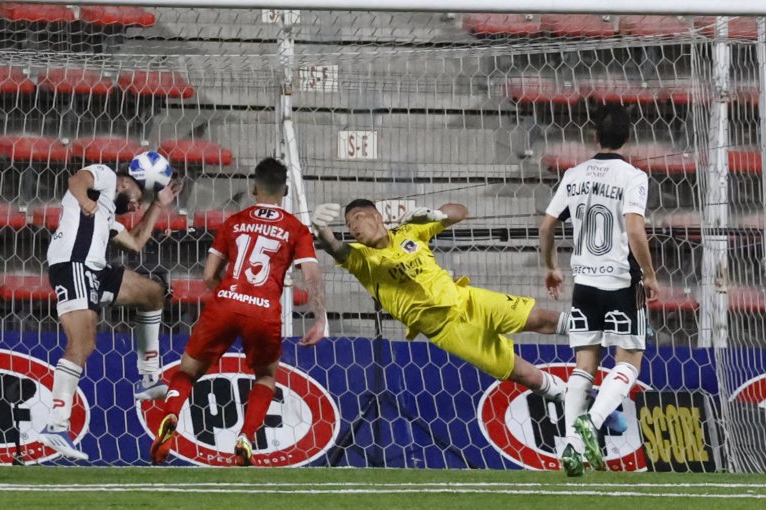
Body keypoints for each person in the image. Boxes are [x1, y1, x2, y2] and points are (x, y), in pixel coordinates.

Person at [149, 158, 327, 467]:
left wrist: (227, 298)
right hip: (264, 311)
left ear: (254, 187)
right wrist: (320, 318)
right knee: (266, 375)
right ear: (285, 190)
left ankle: (171, 417)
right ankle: (245, 437)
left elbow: (207, 276)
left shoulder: (234, 221)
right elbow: (310, 276)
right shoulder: (296, 228)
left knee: (187, 372)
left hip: (226, 302)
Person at [313, 200, 571, 408]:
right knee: (524, 375)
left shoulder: (410, 230)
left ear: (377, 216)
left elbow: (461, 211)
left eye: (358, 218)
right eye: (348, 225)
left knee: (541, 318)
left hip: (468, 301)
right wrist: (322, 228)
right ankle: (571, 397)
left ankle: (598, 327)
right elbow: (335, 247)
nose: (353, 228)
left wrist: (436, 214)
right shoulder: (361, 259)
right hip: (448, 332)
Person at [540, 103, 660, 477]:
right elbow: (635, 229)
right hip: (621, 284)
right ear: (628, 137)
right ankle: (591, 423)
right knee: (629, 362)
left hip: (584, 285)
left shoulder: (573, 175)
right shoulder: (633, 176)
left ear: (595, 136)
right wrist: (651, 275)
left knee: (584, 367)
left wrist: (551, 267)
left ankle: (572, 450)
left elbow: (546, 226)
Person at [38, 159, 181, 461]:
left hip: (95, 270)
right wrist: (83, 201)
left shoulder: (107, 217)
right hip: (72, 264)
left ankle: (149, 376)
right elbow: (76, 180)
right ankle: (55, 424)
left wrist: (158, 205)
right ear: (126, 183)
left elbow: (138, 242)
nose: (136, 206)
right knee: (83, 344)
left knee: (153, 293)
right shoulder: (103, 176)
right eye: (137, 199)